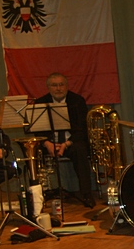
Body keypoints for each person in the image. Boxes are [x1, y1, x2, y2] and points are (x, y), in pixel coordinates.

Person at [33, 73, 95, 208]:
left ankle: (86, 194)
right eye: (54, 85)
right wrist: (47, 143)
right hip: (49, 143)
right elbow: (36, 130)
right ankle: (36, 196)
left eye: (61, 85)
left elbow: (83, 130)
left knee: (80, 150)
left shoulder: (77, 101)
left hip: (71, 142)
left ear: (67, 86)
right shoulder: (40, 103)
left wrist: (66, 144)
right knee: (31, 152)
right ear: (48, 87)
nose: (58, 88)